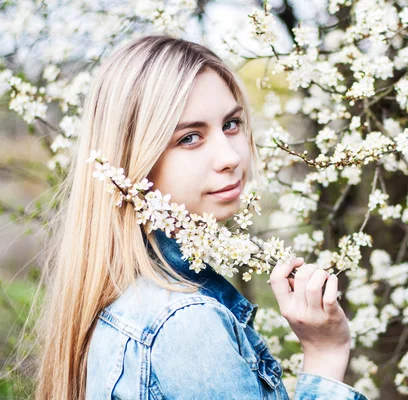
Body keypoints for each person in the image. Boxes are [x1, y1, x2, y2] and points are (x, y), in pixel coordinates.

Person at [35, 35, 369, 399]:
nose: (230, 156)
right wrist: (325, 353)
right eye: (190, 138)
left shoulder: (127, 300)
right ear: (133, 161)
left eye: (231, 124)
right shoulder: (186, 325)